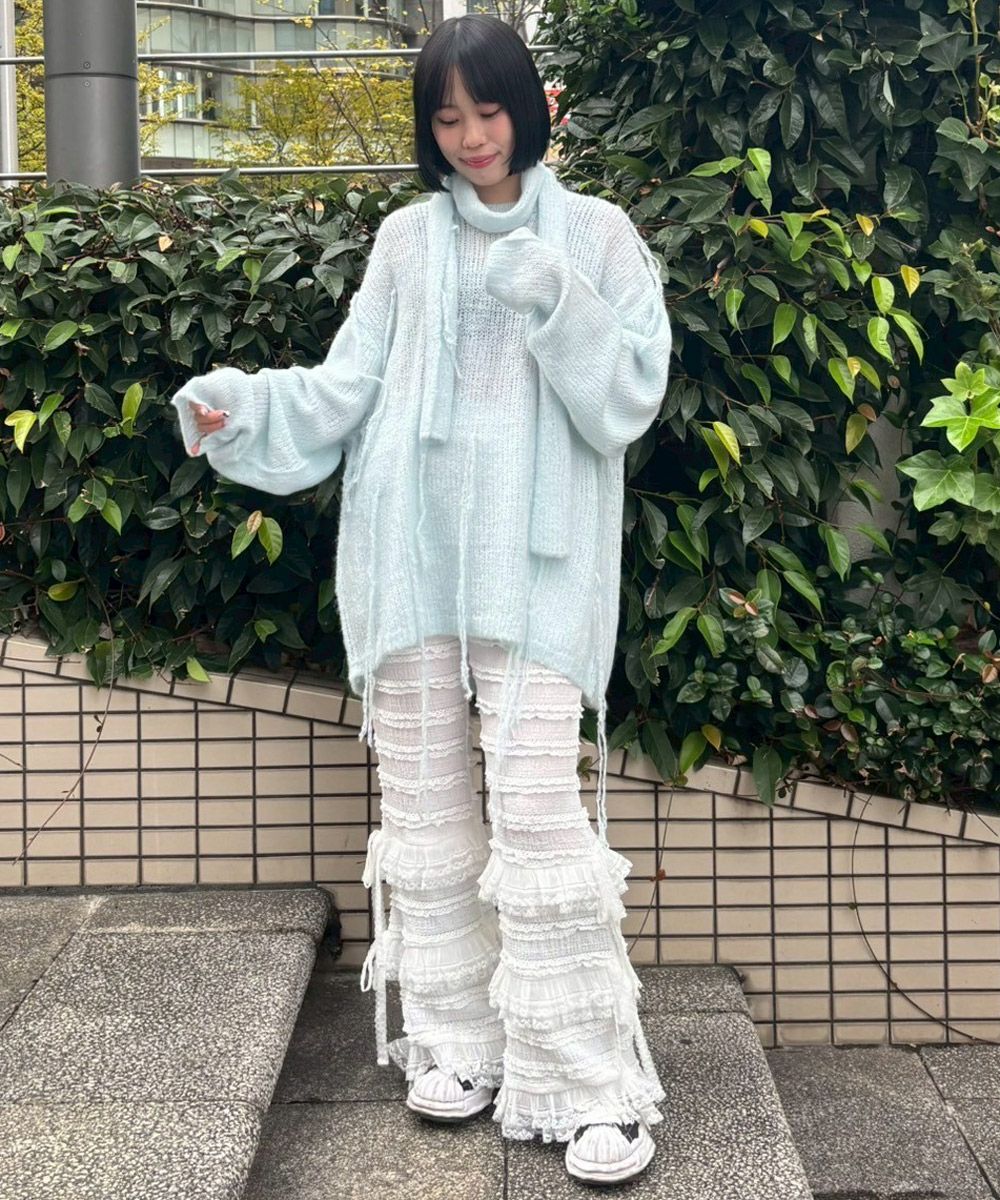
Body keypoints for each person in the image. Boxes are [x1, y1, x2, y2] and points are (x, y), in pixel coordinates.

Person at [170, 12, 672, 1186]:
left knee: (537, 811)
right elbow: (347, 383)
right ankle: (458, 1042)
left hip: (537, 568)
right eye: (447, 118)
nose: (471, 136)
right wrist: (242, 406)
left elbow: (629, 394)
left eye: (488, 110)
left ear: (528, 106)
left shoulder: (597, 234)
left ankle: (587, 1082)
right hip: (409, 557)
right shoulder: (405, 241)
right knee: (428, 811)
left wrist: (556, 297)